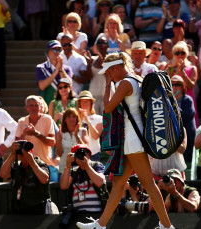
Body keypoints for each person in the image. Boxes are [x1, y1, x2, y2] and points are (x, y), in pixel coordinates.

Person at [76, 52, 175, 229]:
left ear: (115, 67)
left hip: (134, 139)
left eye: (109, 72)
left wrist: (108, 84)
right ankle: (101, 224)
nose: (109, 76)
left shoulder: (124, 83)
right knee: (119, 183)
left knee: (149, 184)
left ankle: (167, 226)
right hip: (133, 139)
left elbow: (107, 107)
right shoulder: (136, 79)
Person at [0, 140, 52, 214]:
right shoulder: (17, 166)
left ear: (31, 151)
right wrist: (12, 154)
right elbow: (3, 174)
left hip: (38, 208)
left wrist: (31, 161)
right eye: (20, 154)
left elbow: (45, 179)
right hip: (20, 208)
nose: (22, 156)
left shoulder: (40, 164)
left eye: (24, 154)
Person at [15, 95, 57, 182]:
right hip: (27, 165)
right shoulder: (21, 121)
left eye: (36, 105)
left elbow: (52, 142)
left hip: (45, 164)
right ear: (27, 108)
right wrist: (24, 133)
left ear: (40, 106)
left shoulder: (47, 119)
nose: (34, 108)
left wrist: (36, 134)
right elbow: (16, 145)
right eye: (31, 105)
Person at [60, 144, 107, 212]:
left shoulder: (97, 166)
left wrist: (86, 166)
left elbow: (100, 182)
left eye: (83, 153)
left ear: (88, 154)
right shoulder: (74, 171)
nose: (81, 156)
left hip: (97, 214)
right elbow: (64, 186)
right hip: (77, 214)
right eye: (78, 154)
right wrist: (67, 165)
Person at [167, 41, 198, 125]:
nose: (180, 55)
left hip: (188, 98)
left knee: (189, 123)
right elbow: (168, 86)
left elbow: (191, 85)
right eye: (177, 53)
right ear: (174, 55)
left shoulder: (192, 68)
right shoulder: (170, 69)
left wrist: (183, 73)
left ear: (186, 54)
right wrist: (177, 72)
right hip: (174, 99)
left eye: (183, 53)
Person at [36, 40, 73, 105]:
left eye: (59, 50)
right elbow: (42, 86)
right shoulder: (41, 67)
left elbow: (69, 85)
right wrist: (56, 71)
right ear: (47, 52)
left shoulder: (67, 68)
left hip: (63, 104)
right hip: (47, 103)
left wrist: (61, 69)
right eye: (54, 50)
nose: (56, 52)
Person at [170, 75, 196, 164]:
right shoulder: (166, 100)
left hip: (186, 136)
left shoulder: (188, 100)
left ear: (183, 87)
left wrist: (173, 104)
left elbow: (187, 116)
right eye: (171, 84)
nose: (174, 87)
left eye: (177, 84)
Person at [56, 108, 89, 175]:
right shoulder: (60, 133)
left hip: (80, 170)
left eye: (74, 116)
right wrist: (59, 139)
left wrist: (77, 136)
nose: (72, 119)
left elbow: (86, 150)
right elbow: (59, 154)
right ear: (65, 120)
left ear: (77, 118)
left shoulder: (83, 131)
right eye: (69, 117)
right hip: (63, 170)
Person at [88, 36, 115, 116]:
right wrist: (88, 65)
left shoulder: (112, 60)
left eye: (103, 43)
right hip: (94, 94)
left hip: (107, 95)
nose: (101, 45)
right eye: (99, 43)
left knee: (108, 120)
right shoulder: (92, 59)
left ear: (108, 45)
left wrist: (102, 61)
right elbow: (88, 78)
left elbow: (110, 76)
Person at [77, 91, 103, 162]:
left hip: (94, 154)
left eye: (86, 101)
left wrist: (87, 120)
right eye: (82, 101)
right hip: (78, 153)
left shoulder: (99, 118)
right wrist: (80, 118)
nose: (84, 103)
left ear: (91, 103)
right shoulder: (75, 118)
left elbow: (95, 136)